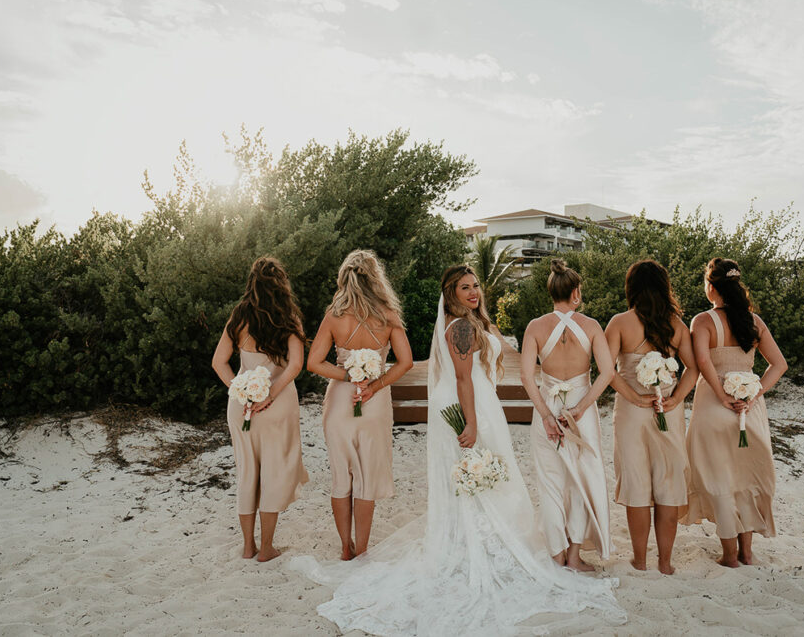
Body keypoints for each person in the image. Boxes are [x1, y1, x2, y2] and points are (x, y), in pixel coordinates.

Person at [291, 264, 626, 636]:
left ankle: (486, 541)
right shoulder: (461, 326)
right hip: (471, 406)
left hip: (479, 402)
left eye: (476, 285)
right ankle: (482, 546)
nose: (474, 292)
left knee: (482, 479)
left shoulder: (469, 322)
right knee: (481, 476)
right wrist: (471, 422)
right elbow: (464, 378)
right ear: (450, 292)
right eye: (465, 287)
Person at [306, 249, 413, 560]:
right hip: (375, 404)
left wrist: (347, 375)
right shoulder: (389, 316)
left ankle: (345, 548)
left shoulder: (334, 317)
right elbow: (404, 362)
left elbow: (314, 363)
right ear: (376, 279)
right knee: (365, 479)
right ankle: (363, 548)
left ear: (344, 278)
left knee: (342, 476)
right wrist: (373, 385)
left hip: (340, 401)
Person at [683, 258, 788, 567]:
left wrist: (721, 394)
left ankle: (728, 555)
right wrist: (753, 394)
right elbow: (779, 365)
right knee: (744, 476)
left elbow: (703, 362)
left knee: (719, 478)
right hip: (749, 410)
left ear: (712, 287)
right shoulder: (754, 321)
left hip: (714, 406)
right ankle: (746, 553)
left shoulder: (702, 321)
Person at [211, 256, 309, 562]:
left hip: (241, 408)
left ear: (251, 283)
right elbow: (295, 365)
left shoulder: (238, 317)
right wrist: (269, 395)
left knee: (247, 473)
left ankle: (248, 546)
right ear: (282, 285)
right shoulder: (288, 317)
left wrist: (239, 390)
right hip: (277, 407)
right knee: (274, 473)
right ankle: (267, 548)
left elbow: (219, 363)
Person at [604, 259, 698, 574]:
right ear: (663, 287)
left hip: (632, 412)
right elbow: (693, 369)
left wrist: (632, 396)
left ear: (631, 288)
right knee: (669, 481)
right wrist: (675, 399)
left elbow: (606, 371)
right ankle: (666, 563)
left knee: (636, 484)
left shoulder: (619, 322)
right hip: (667, 412)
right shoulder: (677, 325)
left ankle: (640, 560)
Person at [520, 258, 613, 572]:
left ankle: (556, 555)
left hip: (546, 406)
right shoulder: (590, 326)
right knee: (580, 483)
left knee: (550, 483)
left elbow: (526, 378)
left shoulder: (535, 327)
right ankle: (573, 557)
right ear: (576, 293)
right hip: (579, 412)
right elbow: (607, 373)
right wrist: (581, 407)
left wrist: (546, 415)